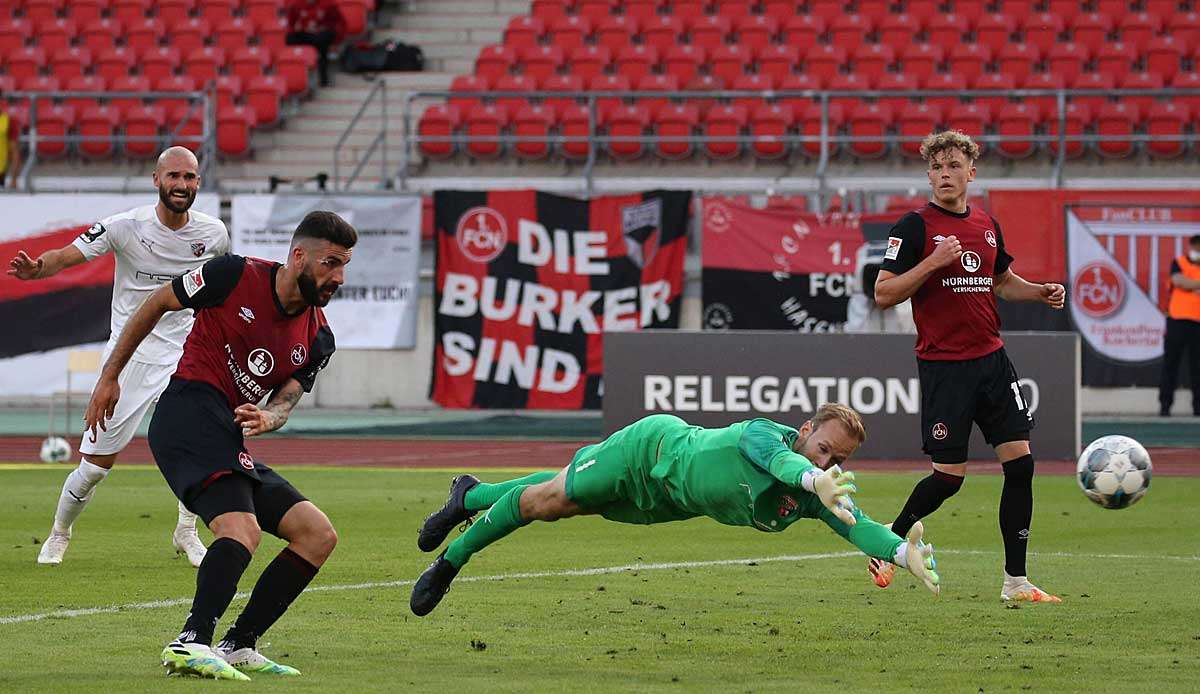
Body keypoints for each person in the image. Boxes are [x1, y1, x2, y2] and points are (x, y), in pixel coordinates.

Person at [83, 210, 355, 679]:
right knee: (241, 530)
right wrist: (110, 377)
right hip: (186, 413)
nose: (339, 277)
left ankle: (238, 644)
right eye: (330, 263)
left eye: (344, 265)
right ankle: (191, 641)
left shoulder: (319, 335)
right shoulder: (233, 275)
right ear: (298, 257)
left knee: (317, 534)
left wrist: (273, 414)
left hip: (227, 435)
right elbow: (154, 303)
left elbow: (289, 393)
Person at [410, 404, 942, 617]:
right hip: (649, 450)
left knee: (563, 500)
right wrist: (813, 476)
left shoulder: (820, 494)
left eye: (839, 458)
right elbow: (782, 462)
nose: (830, 461)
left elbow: (858, 526)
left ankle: (469, 495)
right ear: (806, 432)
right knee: (550, 502)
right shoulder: (768, 437)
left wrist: (899, 551)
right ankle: (450, 561)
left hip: (667, 502)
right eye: (824, 448)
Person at [7, 146, 228, 567]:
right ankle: (59, 532)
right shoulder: (126, 227)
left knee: (201, 446)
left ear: (198, 183)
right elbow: (68, 254)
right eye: (174, 177)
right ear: (156, 180)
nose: (181, 185)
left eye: (190, 178)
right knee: (94, 467)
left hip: (185, 357)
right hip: (128, 360)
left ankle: (186, 530)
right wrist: (40, 268)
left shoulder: (213, 234)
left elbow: (221, 288)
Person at [872, 131, 1066, 604]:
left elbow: (1001, 281)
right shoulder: (913, 227)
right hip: (945, 368)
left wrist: (1038, 290)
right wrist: (933, 262)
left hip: (992, 361)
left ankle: (1016, 582)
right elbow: (883, 293)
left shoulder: (985, 223)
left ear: (970, 173)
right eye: (937, 168)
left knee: (1021, 465)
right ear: (929, 175)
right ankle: (884, 542)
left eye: (954, 166)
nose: (945, 175)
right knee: (948, 478)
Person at [1158, 234, 1200, 417]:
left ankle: (1198, 408)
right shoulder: (1179, 261)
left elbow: (1185, 282)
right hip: (1177, 320)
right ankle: (1165, 405)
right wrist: (1194, 285)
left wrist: (1190, 284)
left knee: (1197, 367)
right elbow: (1178, 281)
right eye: (1196, 246)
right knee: (1170, 365)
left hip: (1198, 323)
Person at [286, 0, 346, 87]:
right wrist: (297, 30)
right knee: (290, 38)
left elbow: (340, 23)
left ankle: (323, 78)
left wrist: (336, 42)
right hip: (307, 33)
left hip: (322, 34)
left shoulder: (328, 4)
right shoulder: (297, 4)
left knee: (321, 40)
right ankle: (294, 75)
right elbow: (290, 24)